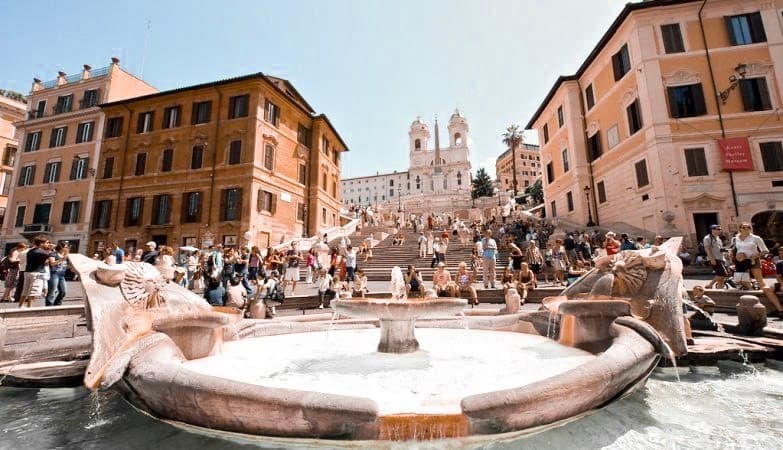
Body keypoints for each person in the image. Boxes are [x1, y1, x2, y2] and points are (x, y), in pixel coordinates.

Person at [730, 222, 783, 316]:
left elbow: (765, 250)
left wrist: (756, 255)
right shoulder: (735, 238)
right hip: (741, 262)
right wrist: (732, 255)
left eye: (749, 227)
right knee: (743, 283)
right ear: (740, 228)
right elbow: (733, 249)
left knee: (761, 283)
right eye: (744, 227)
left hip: (753, 260)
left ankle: (776, 308)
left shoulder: (755, 238)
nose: (747, 229)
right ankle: (752, 308)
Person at [19, 236, 52, 308]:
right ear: (41, 243)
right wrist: (50, 249)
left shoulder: (30, 251)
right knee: (34, 291)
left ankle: (20, 306)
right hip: (37, 273)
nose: (48, 244)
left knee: (25, 290)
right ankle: (29, 307)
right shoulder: (41, 252)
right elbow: (50, 258)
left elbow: (42, 261)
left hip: (27, 272)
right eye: (46, 243)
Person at [703, 224, 727, 289]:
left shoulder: (718, 238)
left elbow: (720, 248)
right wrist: (711, 259)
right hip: (715, 258)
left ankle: (720, 289)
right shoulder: (707, 238)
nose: (720, 231)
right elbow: (707, 249)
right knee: (723, 274)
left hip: (721, 258)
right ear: (712, 230)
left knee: (721, 277)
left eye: (720, 229)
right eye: (718, 229)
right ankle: (709, 285)